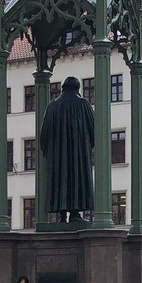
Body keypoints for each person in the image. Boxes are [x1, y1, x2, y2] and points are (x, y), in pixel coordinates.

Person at [39, 75, 95, 221]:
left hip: (57, 158)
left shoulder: (52, 106)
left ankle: (61, 214)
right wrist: (88, 148)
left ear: (63, 89)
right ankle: (75, 213)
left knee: (59, 180)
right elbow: (94, 130)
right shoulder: (83, 104)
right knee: (77, 178)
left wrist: (49, 152)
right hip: (78, 155)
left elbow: (43, 135)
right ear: (77, 89)